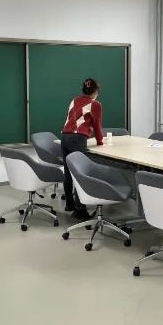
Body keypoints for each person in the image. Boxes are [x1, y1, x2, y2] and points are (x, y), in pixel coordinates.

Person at [60, 78, 104, 220]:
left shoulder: (74, 100)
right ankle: (79, 210)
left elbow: (71, 119)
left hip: (65, 136)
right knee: (80, 172)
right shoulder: (95, 104)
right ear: (95, 92)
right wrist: (100, 142)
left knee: (68, 171)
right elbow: (97, 126)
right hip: (78, 139)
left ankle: (69, 204)